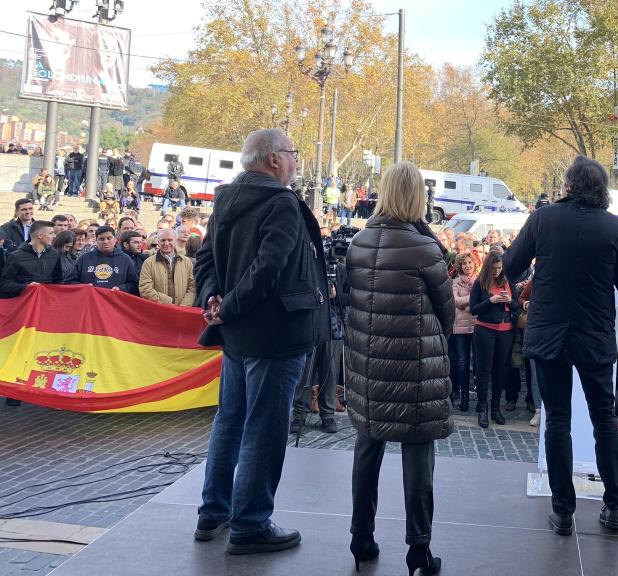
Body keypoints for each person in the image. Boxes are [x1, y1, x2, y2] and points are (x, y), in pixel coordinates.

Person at [192, 128, 330, 555]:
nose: (296, 160)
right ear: (273, 159)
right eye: (293, 152)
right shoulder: (281, 202)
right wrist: (228, 306)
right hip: (274, 334)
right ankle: (251, 523)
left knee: (230, 421)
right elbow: (269, 268)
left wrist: (213, 299)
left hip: (237, 335)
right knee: (263, 429)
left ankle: (213, 512)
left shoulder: (225, 198)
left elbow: (205, 259)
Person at [503, 156, 618, 536]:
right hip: (594, 336)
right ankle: (614, 507)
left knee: (557, 420)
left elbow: (511, 266)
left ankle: (563, 511)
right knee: (604, 420)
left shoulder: (543, 219)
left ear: (568, 185)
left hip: (549, 333)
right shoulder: (617, 230)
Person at [344, 160, 454, 575]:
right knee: (418, 457)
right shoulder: (425, 248)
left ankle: (361, 536)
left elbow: (352, 302)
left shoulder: (358, 243)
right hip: (415, 369)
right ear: (417, 197)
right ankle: (419, 550)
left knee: (367, 447)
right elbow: (446, 314)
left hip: (368, 364)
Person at [470, 249, 519, 427]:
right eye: (494, 268)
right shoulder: (480, 283)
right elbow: (473, 309)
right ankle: (482, 409)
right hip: (485, 330)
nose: (497, 271)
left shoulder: (508, 281)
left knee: (500, 371)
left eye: (499, 268)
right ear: (488, 267)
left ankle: (495, 408)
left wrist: (509, 301)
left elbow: (516, 306)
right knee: (483, 371)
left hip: (505, 332)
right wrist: (490, 301)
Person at [66, 226, 139, 294]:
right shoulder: (83, 258)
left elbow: (134, 284)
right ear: (96, 240)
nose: (105, 242)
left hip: (115, 301)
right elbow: (69, 282)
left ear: (115, 239)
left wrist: (121, 288)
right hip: (90, 300)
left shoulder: (126, 259)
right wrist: (84, 287)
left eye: (109, 238)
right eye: (101, 239)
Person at [0, 220, 62, 298]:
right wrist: (26, 287)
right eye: (51, 233)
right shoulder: (15, 256)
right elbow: (4, 284)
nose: (54, 236)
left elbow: (58, 280)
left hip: (47, 300)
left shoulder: (54, 254)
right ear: (40, 236)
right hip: (24, 300)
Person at [139, 229, 196, 306]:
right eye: (163, 240)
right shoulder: (148, 263)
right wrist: (167, 303)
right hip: (159, 309)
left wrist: (183, 306)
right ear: (158, 242)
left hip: (182, 310)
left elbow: (192, 287)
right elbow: (145, 289)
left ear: (175, 241)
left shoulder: (187, 262)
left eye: (170, 240)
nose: (166, 243)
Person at [449, 252, 476, 412]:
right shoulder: (455, 282)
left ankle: (479, 398)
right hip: (460, 327)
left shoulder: (479, 280)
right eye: (464, 263)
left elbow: (481, 301)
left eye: (470, 262)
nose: (467, 266)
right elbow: (456, 302)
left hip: (477, 325)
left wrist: (467, 304)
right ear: (460, 266)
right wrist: (472, 299)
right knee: (462, 362)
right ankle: (463, 397)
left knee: (477, 362)